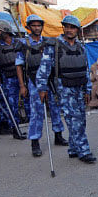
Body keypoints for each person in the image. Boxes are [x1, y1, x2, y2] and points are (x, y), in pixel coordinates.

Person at [36, 15, 96, 164]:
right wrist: (42, 88)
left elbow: (86, 68)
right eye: (67, 27)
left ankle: (73, 149)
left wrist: (88, 89)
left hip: (79, 88)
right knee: (74, 120)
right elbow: (44, 69)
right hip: (64, 89)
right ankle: (84, 150)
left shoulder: (81, 46)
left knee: (80, 119)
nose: (69, 30)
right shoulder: (54, 46)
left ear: (77, 29)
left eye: (72, 27)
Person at [16, 14, 68, 157]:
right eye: (34, 25)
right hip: (33, 81)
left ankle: (58, 135)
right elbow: (19, 66)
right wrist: (22, 85)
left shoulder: (49, 42)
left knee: (56, 108)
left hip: (50, 80)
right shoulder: (23, 44)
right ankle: (35, 141)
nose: (37, 28)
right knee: (37, 111)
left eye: (39, 25)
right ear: (29, 27)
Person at [0, 20, 27, 140]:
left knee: (28, 104)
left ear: (6, 31)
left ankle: (32, 129)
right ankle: (15, 130)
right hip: (8, 78)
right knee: (12, 105)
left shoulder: (20, 43)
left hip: (23, 77)